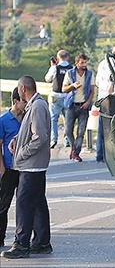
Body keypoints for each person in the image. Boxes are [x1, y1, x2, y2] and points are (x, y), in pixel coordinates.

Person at [1, 76, 52, 259]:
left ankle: (21, 244)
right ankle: (42, 242)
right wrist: (16, 139)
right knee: (38, 203)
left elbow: (40, 137)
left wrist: (21, 153)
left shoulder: (37, 106)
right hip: (34, 165)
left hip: (32, 165)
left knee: (24, 203)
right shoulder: (35, 105)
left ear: (22, 89)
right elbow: (30, 131)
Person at [0, 88, 25, 247]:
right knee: (3, 205)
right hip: (9, 168)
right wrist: (1, 168)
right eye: (23, 101)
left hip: (25, 168)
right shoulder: (4, 120)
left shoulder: (27, 117)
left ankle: (24, 237)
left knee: (26, 204)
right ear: (15, 101)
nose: (26, 103)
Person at [62, 53, 95, 162]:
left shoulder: (89, 74)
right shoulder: (70, 74)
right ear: (77, 63)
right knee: (68, 130)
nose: (84, 65)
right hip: (71, 105)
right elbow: (64, 89)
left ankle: (76, 153)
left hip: (83, 105)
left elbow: (92, 90)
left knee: (81, 132)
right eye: (82, 62)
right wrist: (72, 86)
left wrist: (88, 102)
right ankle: (73, 148)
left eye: (85, 62)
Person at [95, 44, 115, 164]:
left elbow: (97, 81)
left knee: (102, 127)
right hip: (111, 99)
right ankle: (110, 154)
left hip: (102, 98)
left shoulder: (102, 63)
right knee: (111, 128)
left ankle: (99, 154)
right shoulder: (114, 64)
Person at [43, 50, 73, 149]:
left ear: (58, 57)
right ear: (67, 57)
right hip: (67, 97)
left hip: (55, 96)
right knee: (67, 120)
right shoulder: (72, 68)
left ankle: (53, 139)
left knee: (53, 119)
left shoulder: (55, 68)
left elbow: (47, 79)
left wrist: (52, 66)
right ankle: (67, 140)